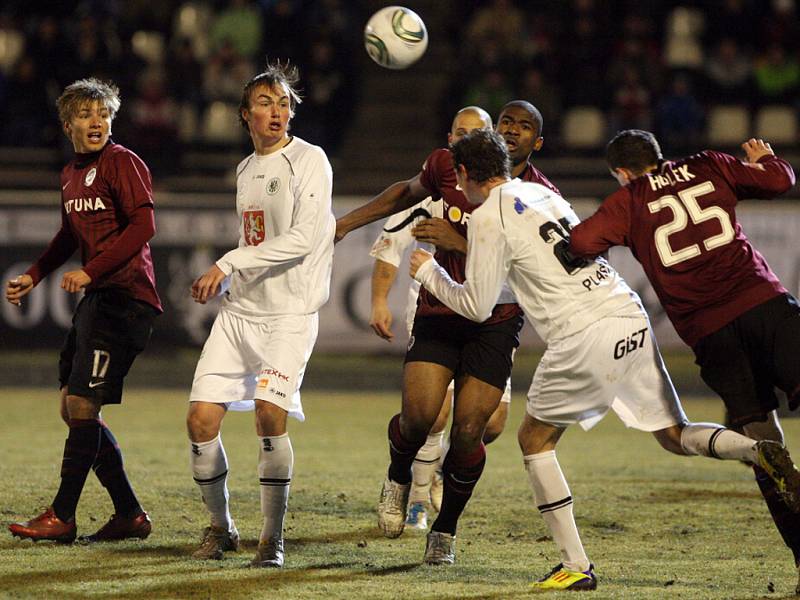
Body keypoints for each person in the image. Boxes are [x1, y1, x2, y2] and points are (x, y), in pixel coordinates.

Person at [409, 128, 800, 590]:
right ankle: (759, 450)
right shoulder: (540, 192)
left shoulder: (487, 217)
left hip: (582, 332)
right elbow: (563, 255)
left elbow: (476, 305)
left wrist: (430, 273)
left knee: (534, 440)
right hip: (626, 312)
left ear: (463, 174)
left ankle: (576, 566)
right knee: (673, 434)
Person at [568, 129, 800, 593]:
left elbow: (580, 243)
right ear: (659, 155)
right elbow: (780, 182)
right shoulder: (708, 164)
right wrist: (767, 160)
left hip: (712, 332)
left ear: (621, 173)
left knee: (762, 444)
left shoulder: (627, 201)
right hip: (764, 305)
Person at [336, 102, 558, 565]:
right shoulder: (448, 164)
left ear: (537, 143)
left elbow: (536, 266)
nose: (513, 131)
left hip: (494, 321)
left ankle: (446, 529)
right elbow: (402, 195)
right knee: (418, 420)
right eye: (507, 123)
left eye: (525, 127)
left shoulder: (538, 196)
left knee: (472, 431)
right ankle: (399, 477)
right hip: (441, 311)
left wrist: (460, 243)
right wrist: (345, 223)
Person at [185, 61, 334, 569]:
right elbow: (257, 240)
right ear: (245, 115)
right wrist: (230, 277)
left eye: (285, 103)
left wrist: (226, 262)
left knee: (270, 415)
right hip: (240, 314)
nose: (278, 111)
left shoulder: (309, 160)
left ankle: (271, 538)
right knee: (200, 420)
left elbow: (302, 240)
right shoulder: (245, 170)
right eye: (266, 103)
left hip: (289, 315)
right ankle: (221, 528)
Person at [6, 78, 161, 544]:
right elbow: (69, 236)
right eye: (86, 114)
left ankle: (62, 516)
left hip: (126, 298)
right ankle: (129, 514)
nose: (96, 122)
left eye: (104, 114)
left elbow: (144, 225)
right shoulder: (71, 174)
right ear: (68, 122)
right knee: (71, 408)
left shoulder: (122, 162)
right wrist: (35, 273)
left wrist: (91, 272)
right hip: (100, 299)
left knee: (81, 404)